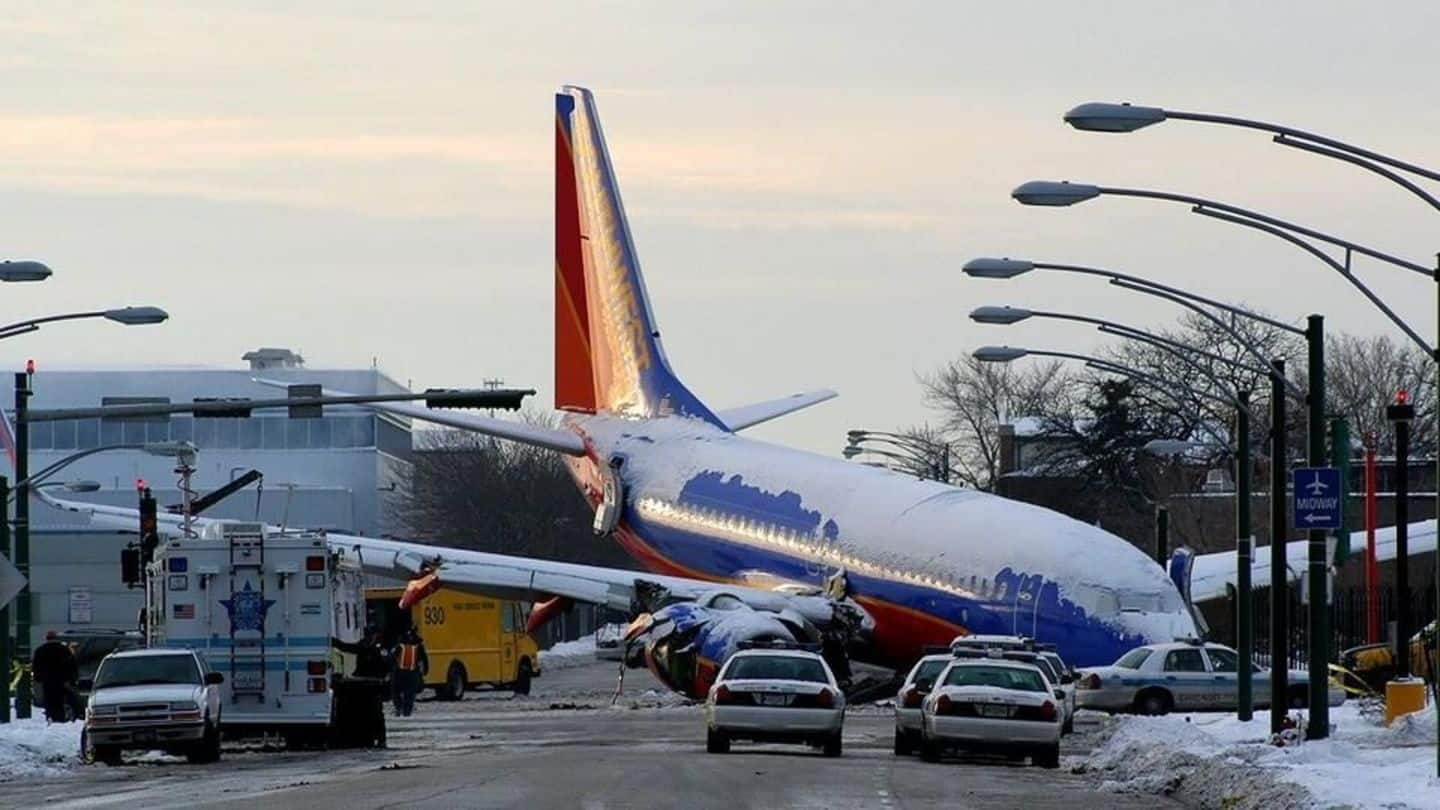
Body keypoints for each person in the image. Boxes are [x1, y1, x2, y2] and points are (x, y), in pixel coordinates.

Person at [31, 631, 79, 723]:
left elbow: (36, 667)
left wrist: (38, 679)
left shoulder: (40, 650)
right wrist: (72, 679)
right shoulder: (64, 650)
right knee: (60, 700)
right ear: (56, 638)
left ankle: (50, 717)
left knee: (49, 700)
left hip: (47, 681)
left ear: (47, 639)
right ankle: (60, 717)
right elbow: (72, 665)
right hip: (62, 681)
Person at [391, 626, 428, 718]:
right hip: (412, 674)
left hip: (399, 673)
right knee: (409, 695)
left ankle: (399, 707)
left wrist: (390, 669)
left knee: (395, 692)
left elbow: (392, 658)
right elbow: (424, 659)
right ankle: (406, 711)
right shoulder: (418, 646)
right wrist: (425, 671)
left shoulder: (400, 646)